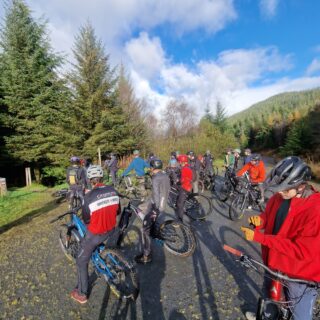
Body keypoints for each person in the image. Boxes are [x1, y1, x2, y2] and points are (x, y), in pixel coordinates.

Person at [241, 156, 320, 320]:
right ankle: (267, 315)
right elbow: (268, 215)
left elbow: (302, 250)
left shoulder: (315, 210)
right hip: (274, 263)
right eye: (280, 188)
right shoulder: (280, 197)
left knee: (300, 315)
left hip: (299, 274)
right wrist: (260, 221)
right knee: (269, 294)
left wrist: (260, 238)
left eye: (285, 189)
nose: (280, 192)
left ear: (301, 186)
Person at [71, 165, 120, 304]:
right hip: (111, 230)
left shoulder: (88, 197)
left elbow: (87, 219)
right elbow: (117, 211)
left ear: (90, 179)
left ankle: (81, 294)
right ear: (102, 177)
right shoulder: (113, 190)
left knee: (81, 261)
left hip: (96, 235)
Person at [135, 159, 170, 264]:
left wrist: (155, 210)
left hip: (157, 205)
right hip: (163, 203)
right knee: (152, 218)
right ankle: (155, 229)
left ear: (152, 168)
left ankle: (146, 255)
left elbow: (156, 195)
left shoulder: (155, 179)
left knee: (145, 230)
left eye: (150, 167)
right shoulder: (165, 175)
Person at [175, 155, 193, 222]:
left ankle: (180, 220)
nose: (178, 163)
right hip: (187, 186)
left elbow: (183, 180)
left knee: (180, 204)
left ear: (182, 161)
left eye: (179, 161)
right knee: (178, 200)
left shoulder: (184, 169)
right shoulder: (187, 167)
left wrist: (178, 181)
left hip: (185, 187)